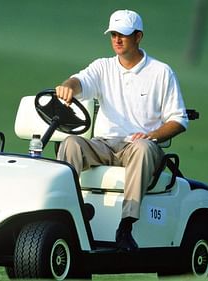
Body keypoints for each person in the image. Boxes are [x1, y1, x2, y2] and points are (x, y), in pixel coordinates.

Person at [55, 9, 188, 252]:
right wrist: (67, 86)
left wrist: (153, 135)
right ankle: (66, 216)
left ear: (138, 37)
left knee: (142, 147)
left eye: (123, 35)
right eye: (113, 34)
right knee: (71, 143)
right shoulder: (102, 67)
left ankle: (125, 226)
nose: (117, 40)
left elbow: (179, 120)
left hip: (141, 146)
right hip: (104, 144)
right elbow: (79, 81)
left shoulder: (161, 72)